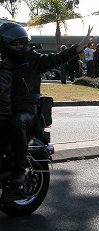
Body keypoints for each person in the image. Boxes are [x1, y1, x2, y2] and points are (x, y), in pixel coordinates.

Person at [0, 22, 93, 188]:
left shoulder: (33, 59)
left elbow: (56, 59)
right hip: (6, 109)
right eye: (14, 43)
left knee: (17, 122)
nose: (19, 46)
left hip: (27, 110)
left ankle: (21, 168)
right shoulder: (3, 62)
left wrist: (79, 47)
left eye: (21, 42)